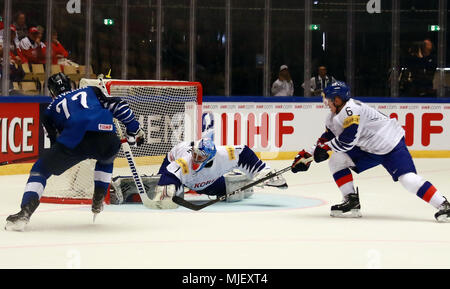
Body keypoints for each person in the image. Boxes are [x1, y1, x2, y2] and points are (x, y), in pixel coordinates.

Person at [291, 81, 450, 222]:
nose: (325, 102)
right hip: (367, 149)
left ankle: (443, 205)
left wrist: (324, 149)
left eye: (328, 99)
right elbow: (328, 138)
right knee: (336, 161)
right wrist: (308, 155)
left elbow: (348, 140)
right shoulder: (332, 117)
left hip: (390, 145)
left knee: (408, 179)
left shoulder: (351, 109)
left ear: (338, 99)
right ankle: (351, 202)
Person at [5, 73, 146, 231]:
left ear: (51, 93)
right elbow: (119, 105)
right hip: (107, 138)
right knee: (106, 159)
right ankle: (98, 199)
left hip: (74, 142)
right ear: (71, 85)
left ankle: (25, 212)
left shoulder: (49, 110)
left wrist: (66, 157)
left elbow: (55, 142)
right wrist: (134, 130)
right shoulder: (92, 90)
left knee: (40, 170)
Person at [151, 138, 287, 208]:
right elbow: (170, 174)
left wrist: (263, 170)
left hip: (205, 181)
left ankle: (240, 179)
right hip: (173, 165)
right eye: (195, 154)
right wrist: (164, 192)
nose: (195, 159)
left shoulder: (223, 154)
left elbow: (243, 152)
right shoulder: (184, 162)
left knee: (230, 191)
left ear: (210, 157)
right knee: (166, 193)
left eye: (200, 157)